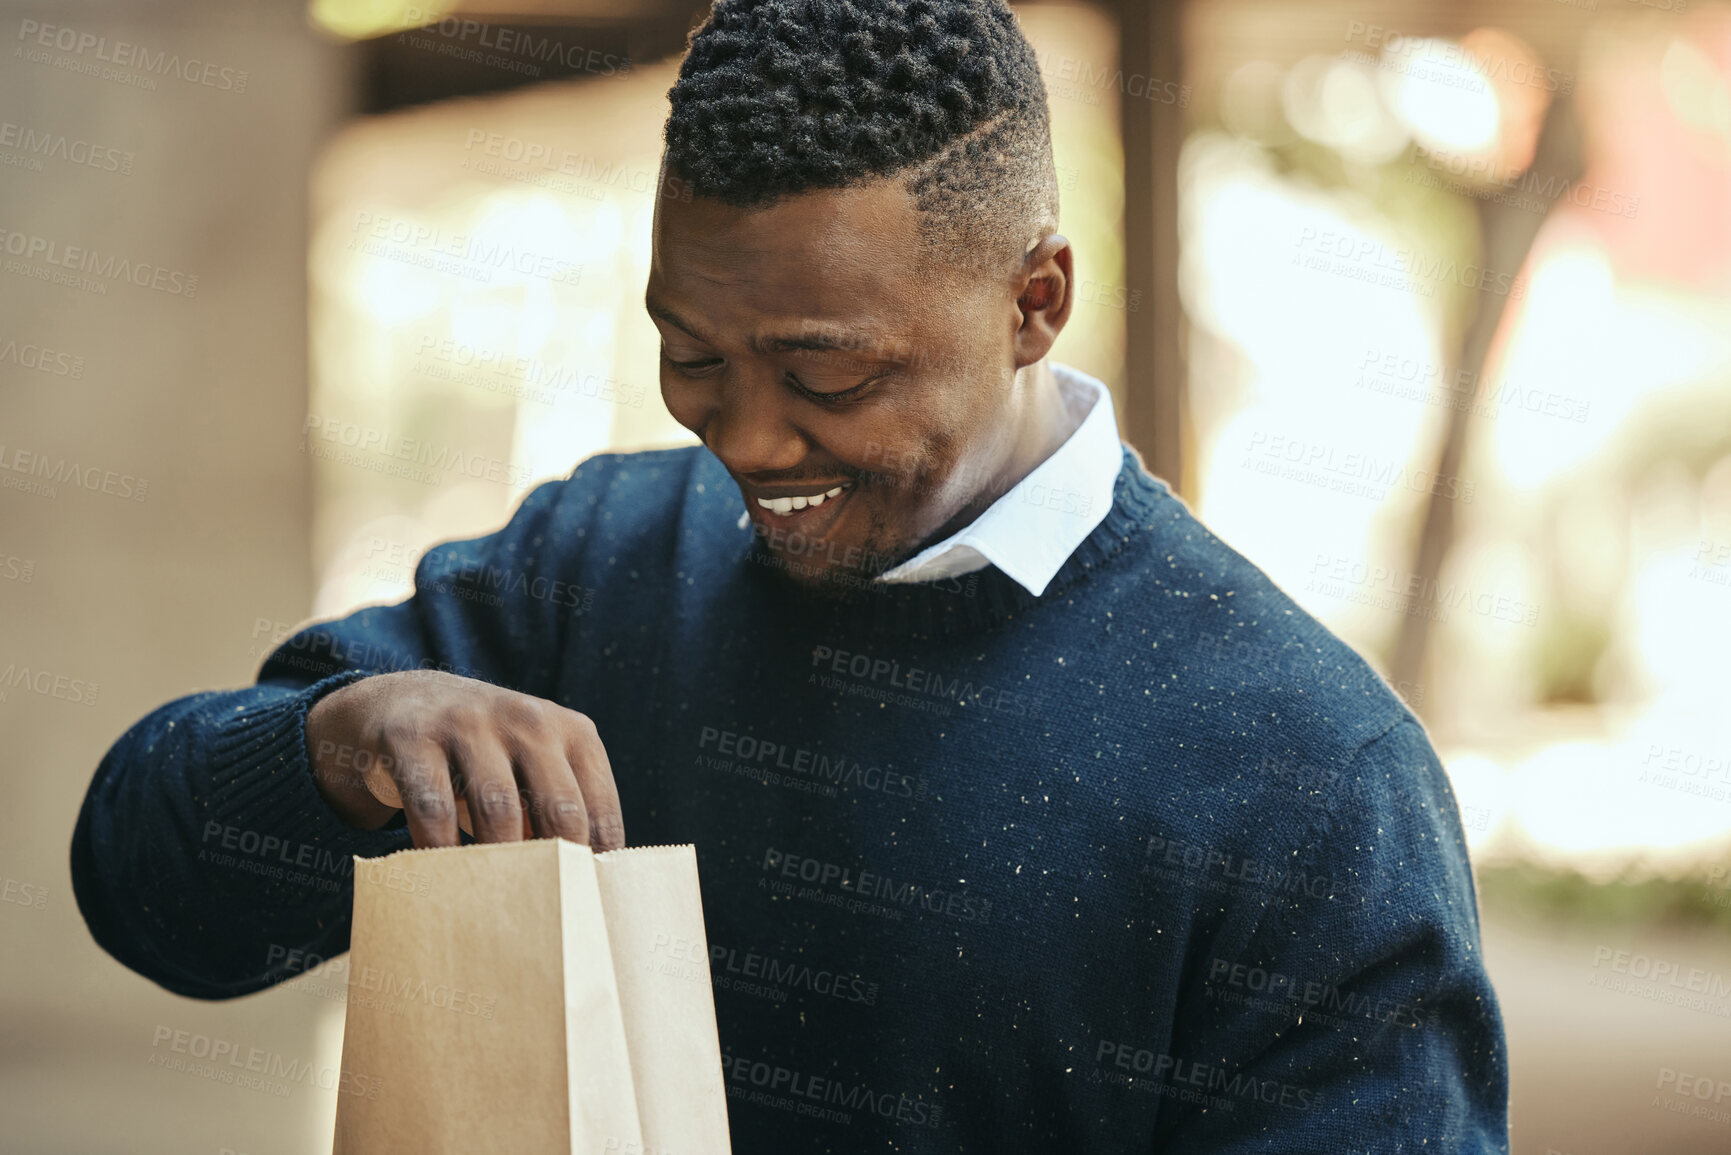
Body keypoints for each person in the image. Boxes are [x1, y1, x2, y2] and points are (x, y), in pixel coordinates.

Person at [71, 0, 1510, 1149]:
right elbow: (144, 895)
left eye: (828, 370)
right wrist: (332, 748)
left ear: (1036, 301)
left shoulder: (1312, 779)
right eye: (692, 356)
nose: (748, 440)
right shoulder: (594, 565)